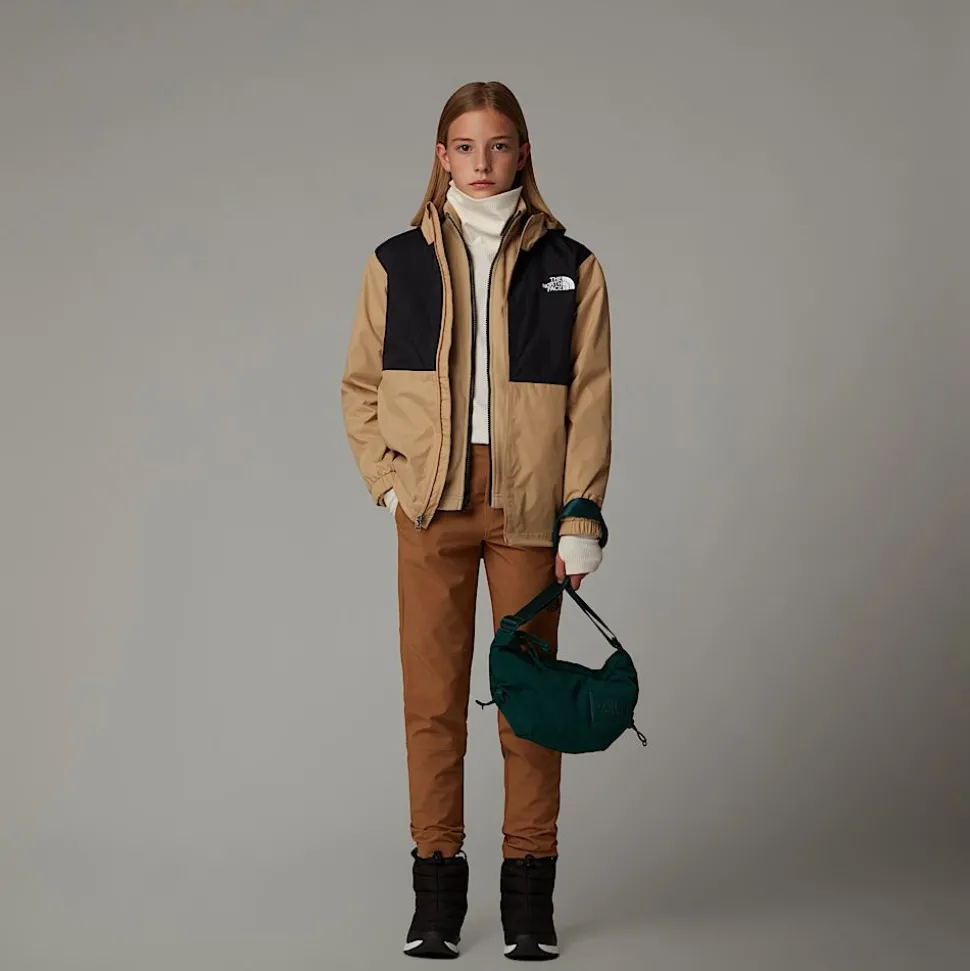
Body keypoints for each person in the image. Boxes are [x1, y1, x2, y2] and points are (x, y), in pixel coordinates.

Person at [340, 80, 612, 961]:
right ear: (441, 155)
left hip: (529, 506)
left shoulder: (571, 265)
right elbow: (361, 388)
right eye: (465, 146)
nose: (482, 162)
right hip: (432, 505)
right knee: (433, 705)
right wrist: (391, 486)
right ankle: (436, 900)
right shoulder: (397, 262)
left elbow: (591, 401)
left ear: (522, 152)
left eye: (498, 146)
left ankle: (530, 902)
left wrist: (581, 513)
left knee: (529, 707)